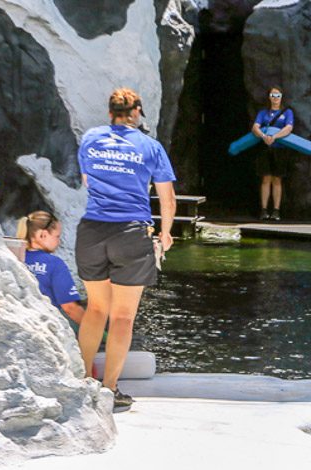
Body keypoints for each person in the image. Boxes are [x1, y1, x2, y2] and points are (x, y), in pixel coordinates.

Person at [76, 87, 177, 411]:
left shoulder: (91, 138)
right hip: (131, 234)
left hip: (91, 231)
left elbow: (87, 180)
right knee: (122, 318)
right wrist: (165, 233)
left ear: (110, 113)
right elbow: (168, 198)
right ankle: (109, 390)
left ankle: (80, 381)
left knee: (95, 310)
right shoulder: (150, 146)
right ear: (136, 113)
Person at [17, 211, 84, 326]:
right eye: (57, 236)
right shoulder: (54, 264)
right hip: (45, 327)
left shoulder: (14, 258)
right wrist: (100, 333)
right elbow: (70, 308)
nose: (59, 241)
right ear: (42, 235)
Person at [252, 85, 294, 221]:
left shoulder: (287, 112)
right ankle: (263, 210)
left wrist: (275, 136)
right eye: (273, 95)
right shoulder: (263, 113)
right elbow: (255, 127)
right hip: (265, 149)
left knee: (277, 179)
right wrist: (264, 137)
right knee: (266, 179)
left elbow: (289, 128)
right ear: (269, 97)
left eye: (278, 95)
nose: (275, 98)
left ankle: (276, 210)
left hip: (280, 149)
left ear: (281, 97)